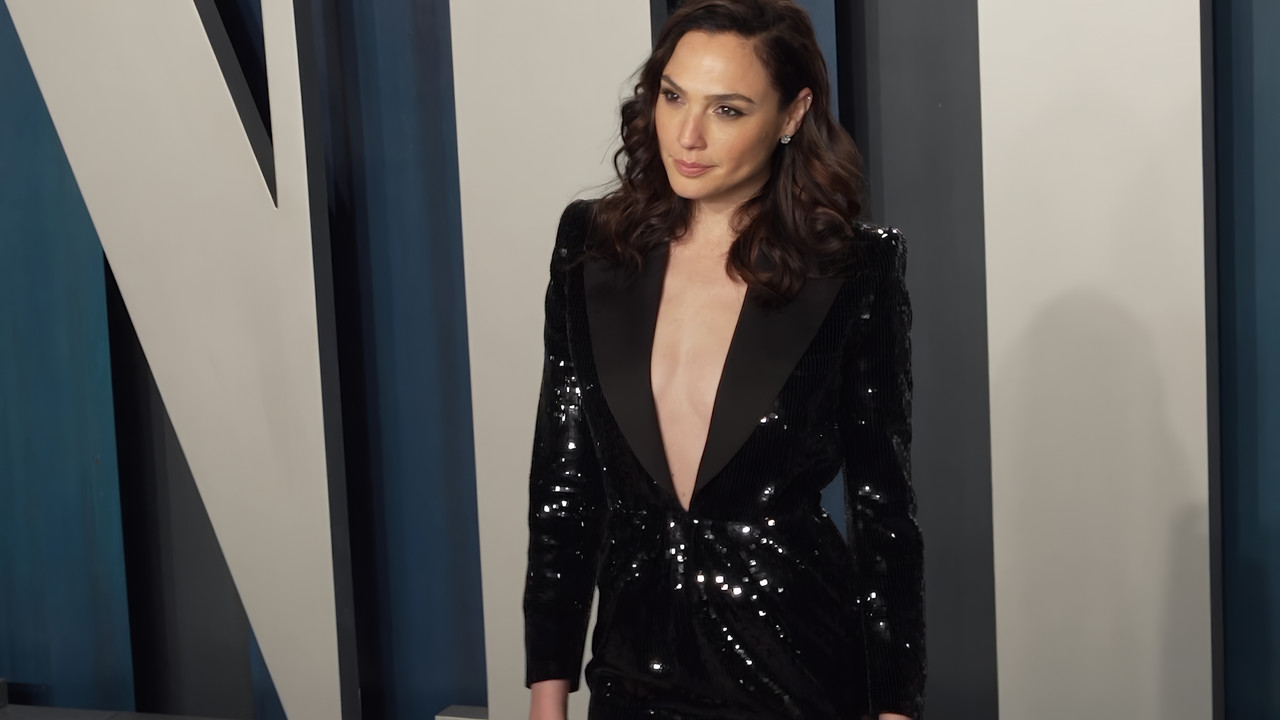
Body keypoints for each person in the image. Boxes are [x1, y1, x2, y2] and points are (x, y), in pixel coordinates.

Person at [523, 1, 925, 718]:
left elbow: (882, 508)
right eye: (673, 96)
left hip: (798, 670)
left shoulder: (854, 267)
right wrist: (547, 693)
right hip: (630, 672)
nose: (688, 135)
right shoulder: (591, 245)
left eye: (728, 110)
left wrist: (896, 709)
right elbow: (564, 484)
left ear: (792, 114)